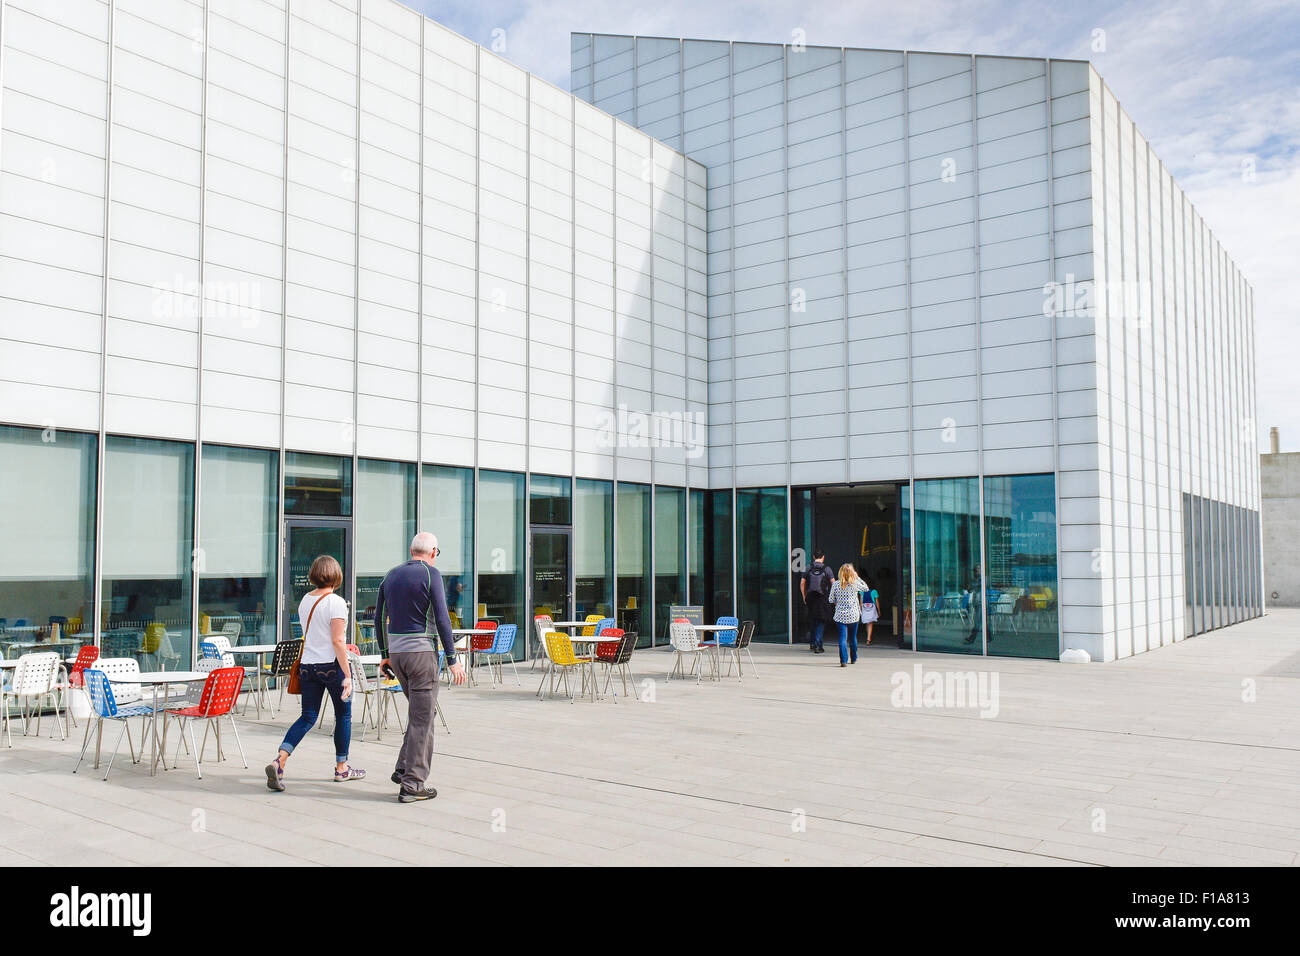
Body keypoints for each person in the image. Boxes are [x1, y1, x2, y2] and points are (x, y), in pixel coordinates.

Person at [375, 531, 467, 804]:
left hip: (398, 656)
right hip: (421, 654)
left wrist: (384, 654)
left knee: (419, 714)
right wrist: (452, 659)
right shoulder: (431, 575)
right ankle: (413, 784)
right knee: (422, 719)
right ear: (433, 552)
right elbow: (442, 617)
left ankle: (403, 768)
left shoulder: (391, 575)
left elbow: (379, 617)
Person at [265, 555, 364, 792]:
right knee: (343, 716)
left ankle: (280, 760)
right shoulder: (336, 602)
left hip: (308, 665)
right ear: (336, 575)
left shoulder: (305, 601)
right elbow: (338, 640)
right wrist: (347, 674)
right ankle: (342, 768)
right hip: (332, 666)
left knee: (308, 717)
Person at [828, 563, 868, 667]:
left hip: (840, 615)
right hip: (853, 615)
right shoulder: (854, 584)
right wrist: (857, 577)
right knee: (853, 638)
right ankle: (853, 658)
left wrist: (838, 602)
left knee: (842, 638)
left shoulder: (836, 584)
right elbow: (866, 588)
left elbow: (831, 599)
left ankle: (843, 660)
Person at [800, 550, 834, 654]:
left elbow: (802, 583)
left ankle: (812, 643)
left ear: (814, 557)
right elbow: (834, 583)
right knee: (821, 621)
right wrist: (833, 597)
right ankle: (818, 645)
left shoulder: (808, 567)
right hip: (822, 598)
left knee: (812, 620)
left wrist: (804, 596)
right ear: (823, 557)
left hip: (810, 597)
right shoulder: (827, 569)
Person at [962, 564, 993, 646]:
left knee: (977, 621)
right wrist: (971, 586)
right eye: (975, 570)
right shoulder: (974, 580)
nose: (976, 571)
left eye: (978, 570)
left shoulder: (983, 578)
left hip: (981, 602)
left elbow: (981, 586)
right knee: (983, 621)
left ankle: (972, 638)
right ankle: (989, 637)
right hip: (976, 602)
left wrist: (973, 584)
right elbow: (969, 590)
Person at [860, 573, 880, 646]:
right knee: (870, 623)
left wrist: (860, 610)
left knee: (867, 622)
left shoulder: (862, 592)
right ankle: (869, 639)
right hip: (872, 608)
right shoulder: (874, 591)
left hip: (865, 608)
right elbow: (877, 603)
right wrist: (879, 611)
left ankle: (868, 637)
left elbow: (861, 602)